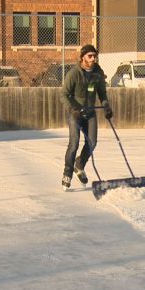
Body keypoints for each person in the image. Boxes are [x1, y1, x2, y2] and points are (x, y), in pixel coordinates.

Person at [60, 44, 114, 191]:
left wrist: (106, 106)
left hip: (90, 113)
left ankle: (79, 165)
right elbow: (64, 94)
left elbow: (102, 92)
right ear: (82, 57)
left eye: (94, 56)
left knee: (92, 142)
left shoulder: (97, 72)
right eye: (90, 56)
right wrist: (72, 108)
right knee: (74, 143)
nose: (92, 59)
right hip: (75, 113)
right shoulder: (74, 73)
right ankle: (67, 173)